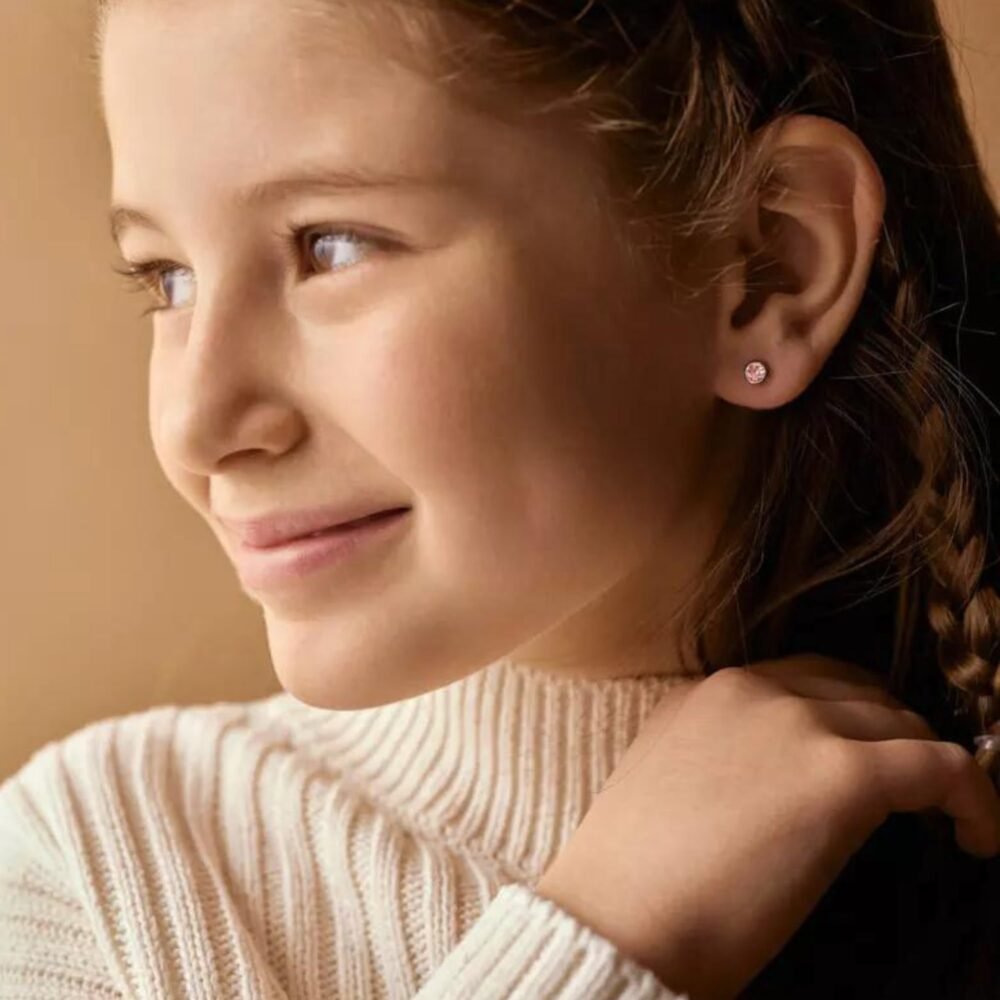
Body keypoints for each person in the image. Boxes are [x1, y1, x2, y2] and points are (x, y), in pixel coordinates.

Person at [2, 0, 1000, 997]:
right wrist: (608, 941)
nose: (198, 423)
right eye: (165, 276)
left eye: (331, 246)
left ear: (766, 265)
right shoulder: (90, 873)